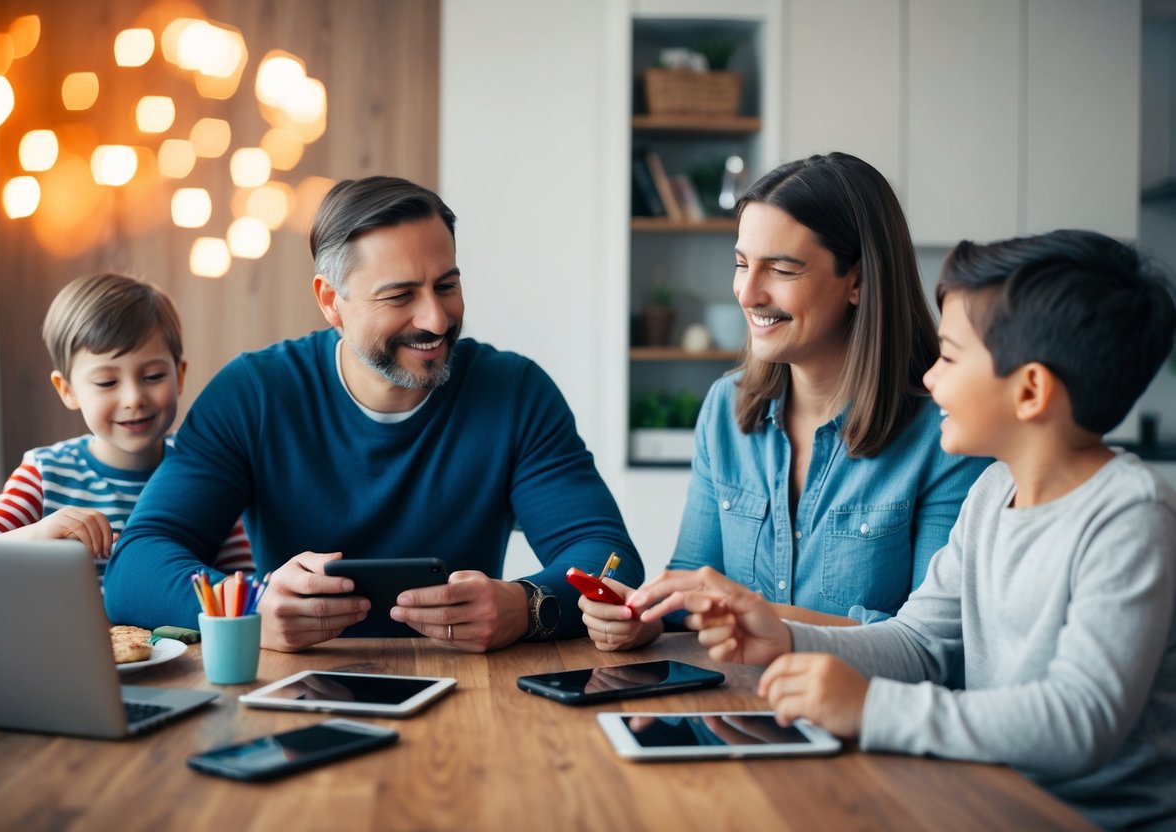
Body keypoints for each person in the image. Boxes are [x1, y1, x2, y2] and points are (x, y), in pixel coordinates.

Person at [637, 230, 1176, 830]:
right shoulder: (994, 492)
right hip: (986, 796)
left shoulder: (1130, 514)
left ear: (1029, 390)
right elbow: (918, 644)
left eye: (948, 356)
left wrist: (873, 707)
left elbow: (1081, 722)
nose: (931, 380)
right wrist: (787, 637)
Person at [104, 176, 642, 653]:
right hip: (290, 695)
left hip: (472, 694)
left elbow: (609, 558)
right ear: (331, 301)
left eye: (447, 286)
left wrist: (526, 607)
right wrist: (248, 608)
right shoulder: (253, 393)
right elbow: (135, 569)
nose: (435, 318)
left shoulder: (515, 392)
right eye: (400, 295)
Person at [583, 153, 989, 650]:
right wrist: (648, 616)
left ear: (858, 282)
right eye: (741, 264)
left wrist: (757, 618)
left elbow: (934, 646)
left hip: (861, 723)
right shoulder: (724, 409)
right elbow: (692, 579)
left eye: (781, 269)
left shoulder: (945, 432)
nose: (748, 292)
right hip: (730, 710)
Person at [0, 273, 253, 574]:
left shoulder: (206, 470)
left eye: (153, 376)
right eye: (107, 382)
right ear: (68, 389)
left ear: (179, 376)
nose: (133, 398)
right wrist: (40, 533)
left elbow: (241, 586)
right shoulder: (45, 473)